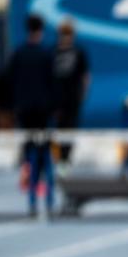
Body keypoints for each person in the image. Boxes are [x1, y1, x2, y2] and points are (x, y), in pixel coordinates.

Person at [8, 14, 56, 215]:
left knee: (29, 156)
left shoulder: (18, 53)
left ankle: (32, 201)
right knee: (44, 156)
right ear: (41, 30)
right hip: (43, 112)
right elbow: (53, 83)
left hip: (25, 111)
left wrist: (15, 106)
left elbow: (11, 81)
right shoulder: (46, 54)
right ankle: (49, 201)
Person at [52, 19, 90, 163]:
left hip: (73, 97)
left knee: (71, 128)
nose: (67, 36)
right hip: (59, 99)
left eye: (69, 33)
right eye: (64, 33)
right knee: (60, 129)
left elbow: (85, 75)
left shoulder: (78, 52)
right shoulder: (54, 52)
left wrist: (83, 93)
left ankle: (65, 159)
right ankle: (61, 158)